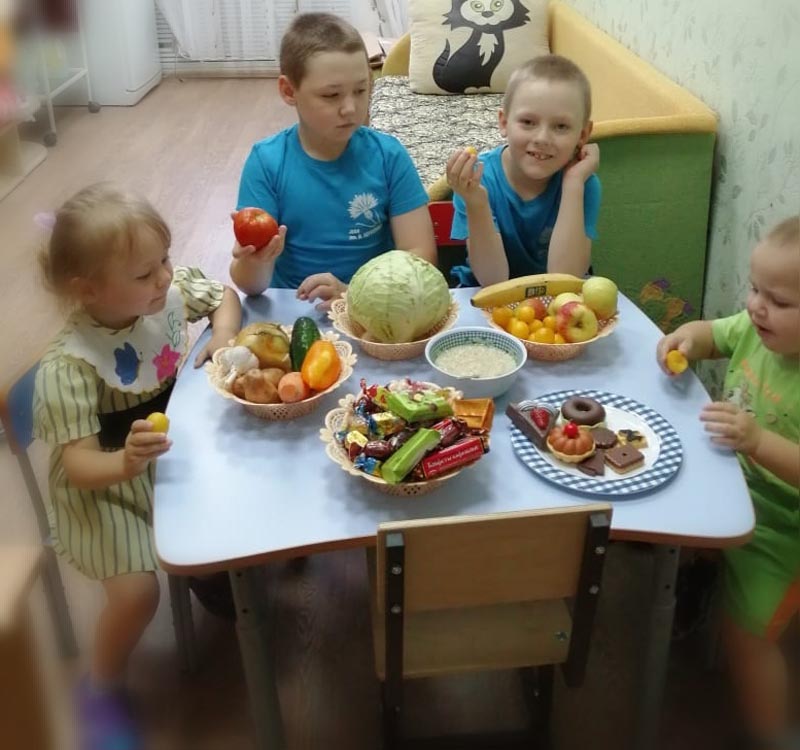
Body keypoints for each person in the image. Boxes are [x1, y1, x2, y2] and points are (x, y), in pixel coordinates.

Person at [33, 184, 242, 749]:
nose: (165, 278)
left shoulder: (162, 296)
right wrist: (124, 461)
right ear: (88, 289)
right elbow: (78, 465)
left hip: (169, 456)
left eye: (165, 260)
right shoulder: (69, 366)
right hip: (104, 486)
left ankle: (209, 576)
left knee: (238, 512)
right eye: (145, 273)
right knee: (136, 596)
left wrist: (223, 335)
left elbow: (222, 296)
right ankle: (100, 687)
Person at [656, 216, 800, 749]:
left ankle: (775, 734)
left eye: (779, 301)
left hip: (783, 532)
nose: (758, 307)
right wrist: (684, 340)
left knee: (748, 636)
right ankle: (690, 590)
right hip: (730, 482)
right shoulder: (756, 331)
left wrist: (758, 441)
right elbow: (713, 334)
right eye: (755, 288)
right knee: (662, 517)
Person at [229, 12, 437, 310]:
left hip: (377, 305)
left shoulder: (389, 155)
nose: (350, 108)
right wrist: (255, 261)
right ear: (289, 91)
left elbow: (421, 255)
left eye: (361, 90)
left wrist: (352, 294)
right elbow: (251, 285)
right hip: (294, 309)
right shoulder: (267, 162)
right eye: (331, 95)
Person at [446, 54, 601, 287]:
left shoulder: (583, 183)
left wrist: (573, 184)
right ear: (504, 123)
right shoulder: (476, 181)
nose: (542, 138)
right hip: (482, 296)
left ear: (583, 135)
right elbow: (492, 280)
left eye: (561, 126)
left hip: (555, 299)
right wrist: (476, 202)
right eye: (528, 122)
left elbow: (565, 278)